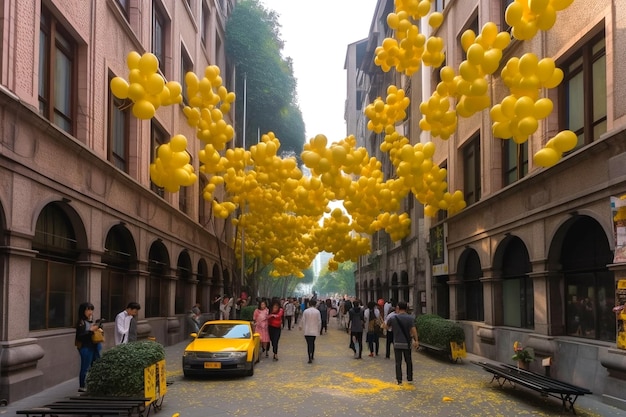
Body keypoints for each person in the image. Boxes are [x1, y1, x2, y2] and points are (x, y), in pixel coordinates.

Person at [389, 301, 418, 385]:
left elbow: (386, 327)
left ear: (397, 307)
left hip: (397, 343)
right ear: (406, 308)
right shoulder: (410, 318)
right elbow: (413, 330)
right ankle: (409, 378)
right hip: (407, 343)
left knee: (398, 362)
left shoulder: (393, 318)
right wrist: (416, 340)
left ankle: (399, 380)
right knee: (408, 361)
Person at [75, 302, 101, 392]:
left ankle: (95, 384)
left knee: (96, 365)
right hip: (86, 347)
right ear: (83, 311)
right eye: (88, 310)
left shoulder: (90, 321)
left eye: (91, 309)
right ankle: (82, 386)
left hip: (94, 346)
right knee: (85, 367)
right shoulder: (81, 322)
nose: (90, 312)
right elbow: (80, 336)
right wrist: (90, 331)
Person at [300, 299, 322, 363]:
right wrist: (319, 330)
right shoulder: (317, 312)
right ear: (315, 304)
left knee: (308, 344)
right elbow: (319, 322)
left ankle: (309, 357)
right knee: (312, 342)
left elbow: (303, 320)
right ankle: (312, 355)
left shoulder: (306, 311)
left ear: (309, 304)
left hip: (307, 330)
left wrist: (301, 326)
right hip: (314, 330)